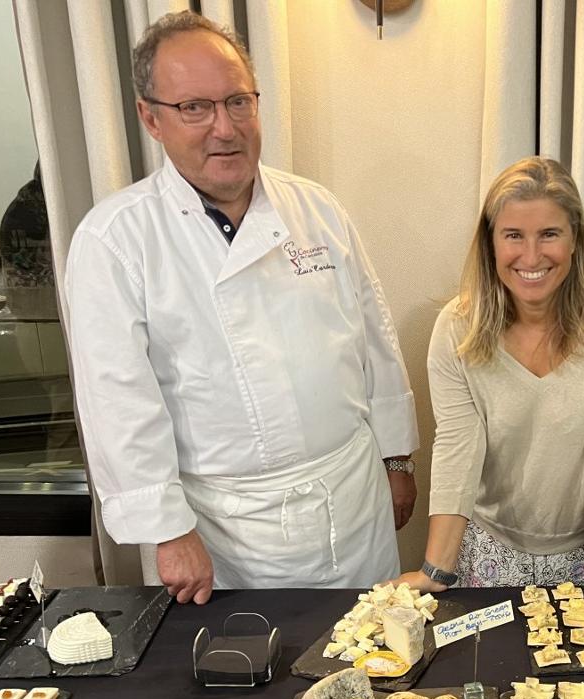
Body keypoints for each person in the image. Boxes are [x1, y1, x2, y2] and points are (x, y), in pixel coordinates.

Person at [63, 12, 418, 601]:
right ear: (150, 116)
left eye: (238, 102)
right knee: (242, 684)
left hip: (351, 499)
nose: (224, 128)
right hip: (224, 529)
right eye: (195, 108)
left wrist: (397, 456)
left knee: (371, 663)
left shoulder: (318, 209)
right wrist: (169, 532)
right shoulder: (116, 239)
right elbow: (117, 399)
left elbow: (372, 337)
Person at [397, 157, 584, 591]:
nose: (531, 256)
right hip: (489, 548)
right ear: (490, 243)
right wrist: (436, 571)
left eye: (549, 234)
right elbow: (458, 448)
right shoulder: (458, 328)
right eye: (513, 236)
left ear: (574, 241)